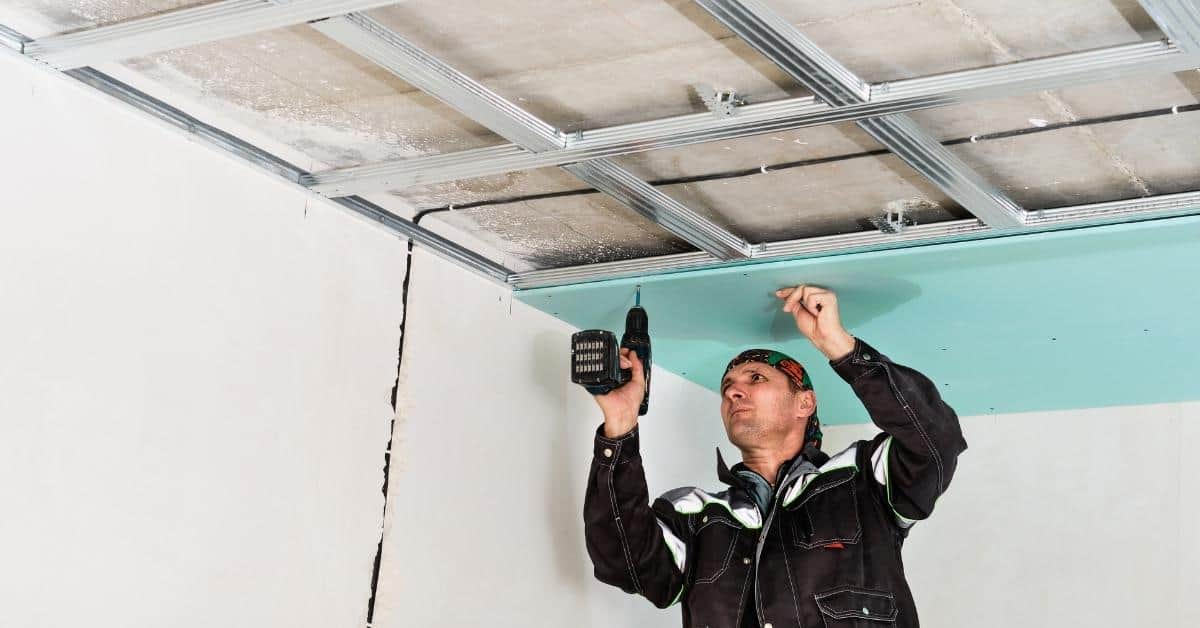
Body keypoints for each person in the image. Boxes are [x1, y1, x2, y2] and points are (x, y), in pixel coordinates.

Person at [583, 284, 966, 628]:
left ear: (805, 403)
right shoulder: (696, 518)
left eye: (756, 379)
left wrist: (840, 346)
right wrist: (620, 423)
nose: (733, 393)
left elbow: (936, 440)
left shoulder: (863, 482)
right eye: (728, 387)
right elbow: (623, 563)